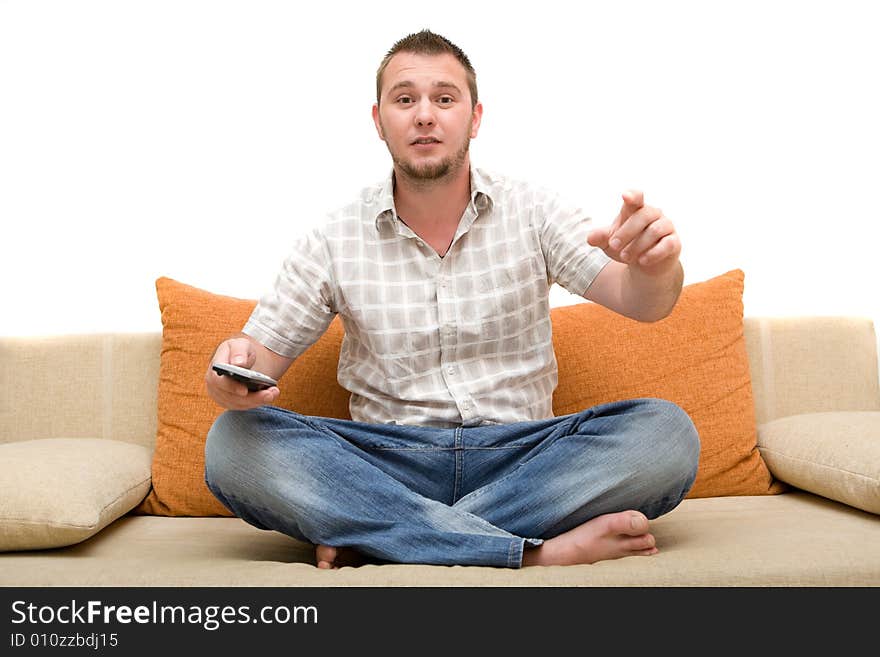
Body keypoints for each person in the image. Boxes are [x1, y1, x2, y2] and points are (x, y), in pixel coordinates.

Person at [204, 29, 700, 570]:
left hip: (523, 457)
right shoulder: (333, 235)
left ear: (475, 117)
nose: (424, 115)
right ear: (378, 121)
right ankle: (528, 554)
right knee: (234, 442)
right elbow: (257, 361)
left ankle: (389, 538)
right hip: (388, 462)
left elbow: (644, 301)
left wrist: (657, 268)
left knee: (666, 433)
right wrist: (230, 374)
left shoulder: (534, 210)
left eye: (444, 98)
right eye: (404, 99)